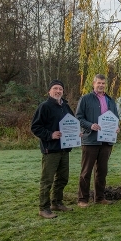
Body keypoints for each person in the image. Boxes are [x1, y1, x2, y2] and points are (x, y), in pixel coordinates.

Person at [31, 79, 75, 219]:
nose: (58, 91)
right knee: (47, 180)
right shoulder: (44, 106)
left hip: (64, 148)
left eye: (60, 89)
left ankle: (57, 203)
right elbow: (35, 127)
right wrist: (50, 135)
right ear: (49, 91)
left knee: (63, 178)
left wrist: (76, 133)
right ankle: (43, 208)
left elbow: (72, 123)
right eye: (55, 88)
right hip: (51, 149)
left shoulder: (66, 106)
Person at [76, 74, 119, 208]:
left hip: (106, 141)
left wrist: (116, 127)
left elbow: (115, 118)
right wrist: (90, 125)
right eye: (99, 83)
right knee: (86, 171)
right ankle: (82, 199)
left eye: (103, 83)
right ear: (93, 84)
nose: (101, 85)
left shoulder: (110, 100)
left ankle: (100, 197)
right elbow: (79, 117)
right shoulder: (85, 99)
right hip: (91, 140)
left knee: (102, 171)